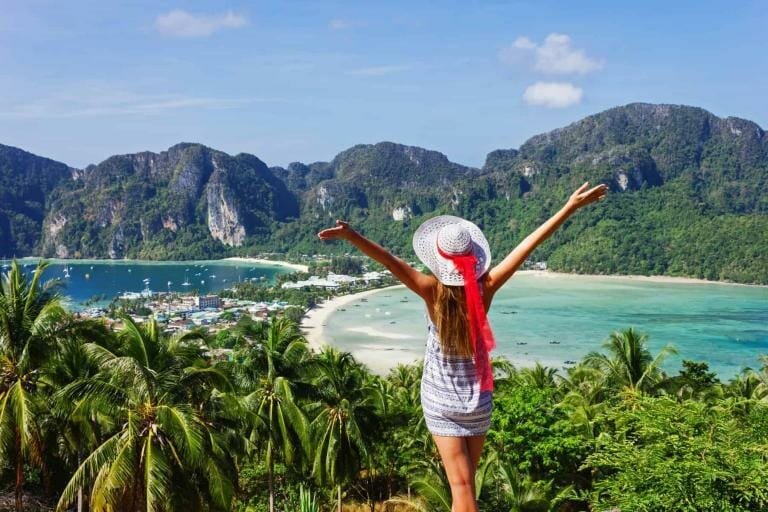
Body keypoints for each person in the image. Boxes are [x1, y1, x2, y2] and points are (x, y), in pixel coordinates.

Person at [317, 181, 608, 512]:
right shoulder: (487, 289)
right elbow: (527, 246)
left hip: (441, 400)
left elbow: (389, 261)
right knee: (466, 486)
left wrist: (352, 236)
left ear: (437, 261)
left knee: (461, 485)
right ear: (474, 259)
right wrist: (569, 208)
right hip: (479, 400)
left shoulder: (430, 290)